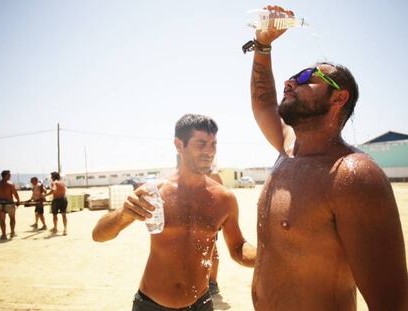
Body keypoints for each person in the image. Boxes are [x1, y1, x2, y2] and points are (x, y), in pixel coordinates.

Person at [247, 5, 408, 310]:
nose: (289, 82)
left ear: (339, 97)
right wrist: (263, 45)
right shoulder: (289, 148)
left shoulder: (352, 176)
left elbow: (392, 303)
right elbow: (264, 101)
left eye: (307, 76)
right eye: (292, 77)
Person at [92, 114, 256, 311]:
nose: (209, 151)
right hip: (151, 305)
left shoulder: (224, 199)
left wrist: (269, 255)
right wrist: (122, 214)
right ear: (179, 145)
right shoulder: (155, 192)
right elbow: (98, 235)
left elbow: (238, 249)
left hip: (201, 304)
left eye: (213, 144)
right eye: (201, 143)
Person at [207, 170, 222, 296]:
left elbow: (222, 196)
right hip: (191, 218)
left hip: (209, 218)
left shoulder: (213, 175)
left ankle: (213, 282)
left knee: (212, 251)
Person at [0, 170, 20, 240]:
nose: (10, 176)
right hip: (9, 204)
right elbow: (15, 194)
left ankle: (4, 234)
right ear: (6, 175)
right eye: (9, 175)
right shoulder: (10, 184)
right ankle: (12, 232)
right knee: (12, 218)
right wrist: (18, 201)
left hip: (0, 204)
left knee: (2, 220)